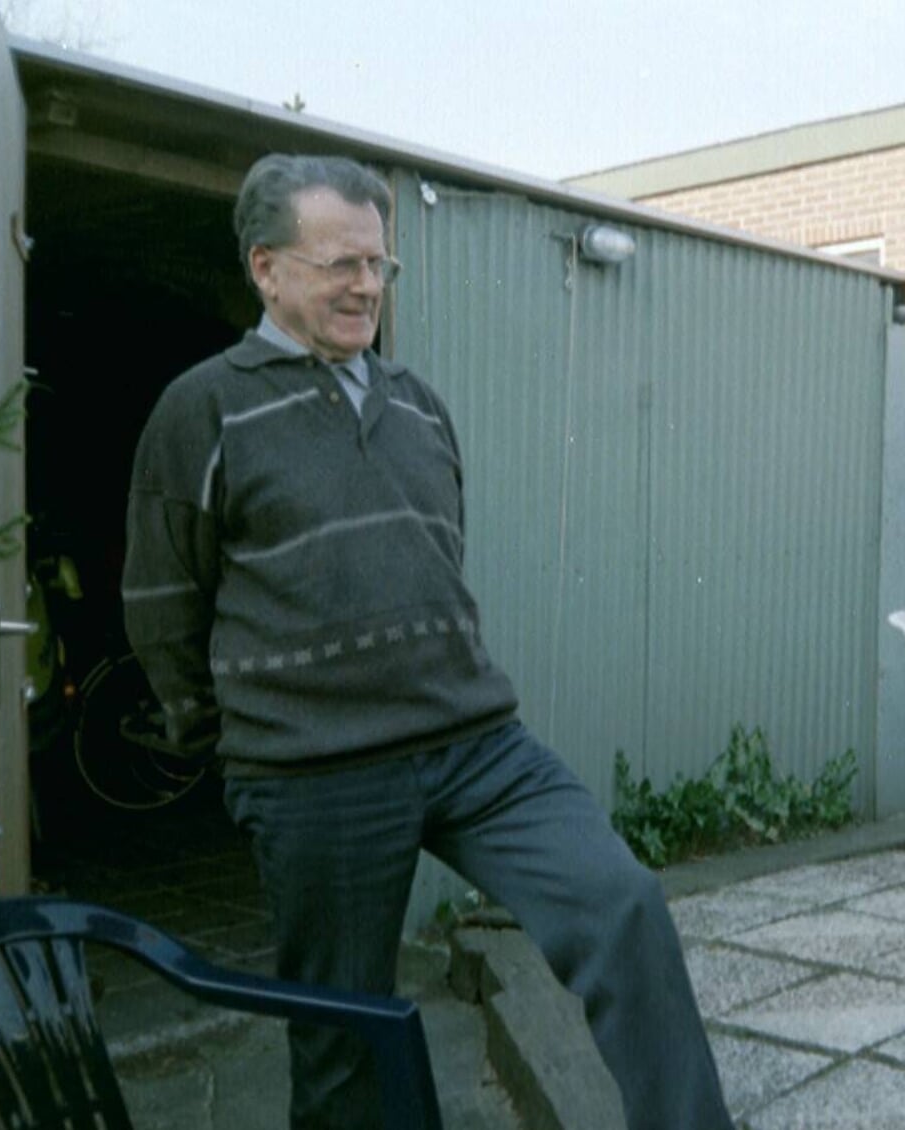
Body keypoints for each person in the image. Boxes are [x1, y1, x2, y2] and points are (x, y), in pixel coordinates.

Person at [122, 153, 735, 1130]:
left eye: (379, 264)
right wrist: (232, 739)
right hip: (315, 769)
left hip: (476, 745)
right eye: (339, 264)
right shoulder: (203, 407)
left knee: (621, 906)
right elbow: (162, 601)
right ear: (267, 267)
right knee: (346, 1041)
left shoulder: (418, 404)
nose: (366, 284)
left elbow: (438, 558)